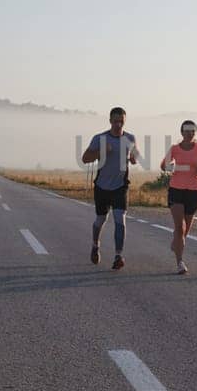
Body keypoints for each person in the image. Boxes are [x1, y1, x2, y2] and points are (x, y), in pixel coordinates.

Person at [81, 106, 139, 269]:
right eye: (115, 121)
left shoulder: (130, 138)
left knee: (120, 220)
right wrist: (100, 152)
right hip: (102, 186)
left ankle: (118, 256)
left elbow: (135, 156)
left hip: (121, 186)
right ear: (110, 121)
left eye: (121, 121)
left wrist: (134, 158)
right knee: (101, 220)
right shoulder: (99, 138)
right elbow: (85, 158)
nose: (118, 125)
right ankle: (95, 245)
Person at [160, 120, 197, 275]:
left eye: (192, 131)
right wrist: (174, 167)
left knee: (185, 231)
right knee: (179, 227)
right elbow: (164, 165)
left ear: (195, 133)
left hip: (193, 190)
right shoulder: (175, 149)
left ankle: (176, 243)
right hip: (176, 189)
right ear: (182, 132)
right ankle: (180, 262)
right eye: (186, 131)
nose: (189, 133)